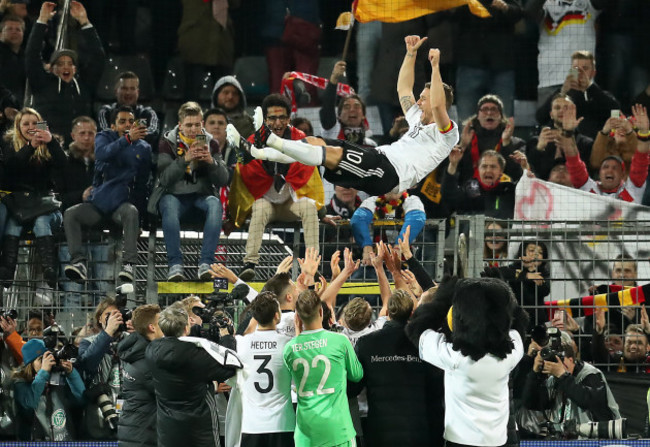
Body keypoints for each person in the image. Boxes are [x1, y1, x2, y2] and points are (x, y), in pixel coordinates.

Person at [228, 35, 459, 197]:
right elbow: (403, 90)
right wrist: (410, 54)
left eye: (424, 97)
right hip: (380, 158)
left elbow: (438, 107)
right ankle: (260, 152)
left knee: (332, 153)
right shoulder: (417, 116)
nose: (418, 101)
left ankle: (270, 140)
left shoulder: (447, 133)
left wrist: (436, 67)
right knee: (314, 142)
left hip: (391, 174)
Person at [406, 277, 528, 447]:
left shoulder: (455, 358)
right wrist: (503, 295)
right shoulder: (509, 356)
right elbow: (519, 325)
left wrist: (442, 300)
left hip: (460, 440)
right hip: (499, 441)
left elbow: (417, 328)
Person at [235, 94, 324, 281]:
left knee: (309, 208)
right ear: (265, 120)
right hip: (267, 202)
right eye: (273, 118)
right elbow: (241, 171)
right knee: (258, 208)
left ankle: (312, 268)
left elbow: (311, 179)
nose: (278, 123)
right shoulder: (253, 141)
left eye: (282, 117)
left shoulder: (301, 141)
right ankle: (249, 264)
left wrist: (322, 212)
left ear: (289, 119)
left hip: (291, 202)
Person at [63, 105, 152, 284]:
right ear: (112, 126)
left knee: (132, 212)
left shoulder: (144, 148)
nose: (127, 124)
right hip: (99, 204)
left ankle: (129, 265)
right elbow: (103, 154)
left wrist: (141, 220)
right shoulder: (103, 137)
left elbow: (143, 184)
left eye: (130, 121)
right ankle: (78, 262)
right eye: (122, 121)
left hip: (121, 205)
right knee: (71, 214)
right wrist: (127, 139)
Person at [350, 290, 444, 447]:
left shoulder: (366, 343)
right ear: (412, 313)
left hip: (379, 432)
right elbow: (436, 389)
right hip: (418, 431)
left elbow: (354, 387)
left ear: (387, 312)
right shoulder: (424, 343)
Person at [145, 305, 240, 447]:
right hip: (199, 429)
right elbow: (230, 368)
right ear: (186, 328)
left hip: (167, 429)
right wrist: (226, 337)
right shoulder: (194, 355)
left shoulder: (151, 350)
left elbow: (175, 347)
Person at [155, 101, 229, 281]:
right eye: (188, 125)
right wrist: (185, 160)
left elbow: (224, 179)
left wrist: (212, 162)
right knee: (169, 204)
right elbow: (164, 179)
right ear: (180, 126)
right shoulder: (167, 143)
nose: (193, 129)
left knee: (215, 203)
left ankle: (206, 263)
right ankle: (175, 265)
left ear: (202, 124)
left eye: (197, 124)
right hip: (174, 196)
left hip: (201, 197)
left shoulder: (211, 144)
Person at [283, 289, 363, 447]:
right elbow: (357, 375)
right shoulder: (340, 341)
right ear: (321, 311)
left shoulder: (290, 348)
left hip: (306, 434)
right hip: (338, 431)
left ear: (297, 317)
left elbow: (289, 385)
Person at [0, 107, 66, 288]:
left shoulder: (52, 144)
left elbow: (63, 164)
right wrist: (30, 147)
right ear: (18, 127)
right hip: (20, 205)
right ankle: (6, 274)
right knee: (12, 226)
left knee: (41, 223)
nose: (30, 127)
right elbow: (11, 169)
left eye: (34, 123)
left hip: (44, 204)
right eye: (26, 123)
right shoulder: (9, 145)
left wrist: (51, 142)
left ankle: (50, 271)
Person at [25, 1, 104, 141]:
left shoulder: (84, 84)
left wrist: (85, 22)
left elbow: (98, 57)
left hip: (79, 147)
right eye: (60, 64)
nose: (66, 67)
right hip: (50, 147)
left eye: (69, 63)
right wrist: (42, 21)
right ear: (52, 68)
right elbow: (32, 55)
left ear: (75, 68)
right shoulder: (42, 83)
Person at [55, 116, 112, 309]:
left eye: (91, 133)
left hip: (100, 235)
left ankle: (103, 333)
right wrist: (81, 195)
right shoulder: (63, 162)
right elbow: (57, 198)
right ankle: (71, 337)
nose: (87, 137)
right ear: (73, 135)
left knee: (102, 290)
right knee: (73, 290)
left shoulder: (105, 161)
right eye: (82, 133)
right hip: (70, 238)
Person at [521, 335, 621, 438]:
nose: (557, 365)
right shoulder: (554, 380)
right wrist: (535, 373)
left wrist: (562, 376)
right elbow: (531, 403)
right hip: (565, 440)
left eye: (560, 360)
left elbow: (587, 401)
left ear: (571, 359)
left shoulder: (591, 374)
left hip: (599, 440)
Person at [230, 292, 295, 446]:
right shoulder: (288, 344)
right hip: (283, 424)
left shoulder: (241, 343)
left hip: (252, 426)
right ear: (277, 316)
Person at [565, 104, 649, 203]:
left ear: (622, 174)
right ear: (599, 173)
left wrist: (644, 131)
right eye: (605, 167)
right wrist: (568, 133)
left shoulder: (633, 189)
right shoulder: (589, 189)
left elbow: (641, 160)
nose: (610, 170)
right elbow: (574, 163)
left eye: (615, 168)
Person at [76, 297, 129, 440]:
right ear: (99, 319)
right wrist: (107, 333)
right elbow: (87, 364)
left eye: (117, 315)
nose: (114, 319)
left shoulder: (130, 340)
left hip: (129, 414)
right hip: (98, 415)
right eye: (108, 315)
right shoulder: (88, 343)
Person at [535, 51, 619, 139]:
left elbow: (615, 111)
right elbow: (541, 117)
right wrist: (562, 92)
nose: (580, 72)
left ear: (593, 72)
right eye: (576, 69)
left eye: (585, 68)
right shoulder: (562, 93)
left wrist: (590, 88)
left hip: (591, 144)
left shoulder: (601, 95)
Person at [13, 339, 85, 441]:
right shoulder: (20, 384)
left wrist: (71, 373)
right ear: (30, 365)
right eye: (40, 359)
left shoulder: (59, 379)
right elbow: (29, 404)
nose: (45, 362)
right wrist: (44, 372)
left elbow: (81, 399)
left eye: (46, 357)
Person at [117, 304, 163, 447]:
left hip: (134, 431)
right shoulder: (146, 361)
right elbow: (169, 393)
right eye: (161, 322)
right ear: (152, 327)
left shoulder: (136, 352)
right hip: (142, 436)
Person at [454, 95, 525, 184]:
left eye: (494, 109)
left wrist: (507, 144)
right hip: (469, 193)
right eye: (484, 109)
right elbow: (452, 174)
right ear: (477, 116)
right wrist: (463, 146)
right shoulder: (465, 141)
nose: (489, 113)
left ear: (501, 116)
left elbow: (517, 176)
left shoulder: (517, 144)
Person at [526, 94, 594, 181]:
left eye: (566, 108)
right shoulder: (535, 141)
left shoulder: (585, 143)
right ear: (551, 114)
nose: (562, 111)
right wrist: (539, 148)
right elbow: (528, 171)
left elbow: (587, 173)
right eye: (557, 108)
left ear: (574, 112)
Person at [350, 191, 425, 265]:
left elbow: (416, 219)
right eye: (393, 185)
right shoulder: (372, 201)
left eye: (399, 185)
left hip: (404, 262)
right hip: (373, 261)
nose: (395, 189)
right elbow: (358, 219)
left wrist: (399, 246)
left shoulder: (412, 200)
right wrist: (367, 247)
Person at [442, 149, 519, 219]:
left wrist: (525, 168)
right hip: (471, 233)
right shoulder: (469, 189)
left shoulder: (509, 190)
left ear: (501, 171)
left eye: (493, 167)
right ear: (478, 170)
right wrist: (453, 165)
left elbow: (528, 192)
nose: (488, 170)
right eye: (484, 166)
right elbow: (449, 197)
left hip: (500, 232)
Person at [97, 71, 160, 149]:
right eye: (124, 88)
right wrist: (131, 137)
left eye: (132, 89)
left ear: (138, 92)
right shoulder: (106, 112)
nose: (128, 92)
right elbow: (105, 134)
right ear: (116, 91)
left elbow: (153, 134)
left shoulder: (148, 113)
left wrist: (123, 136)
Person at [320, 61, 376, 146]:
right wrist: (334, 78)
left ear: (363, 115)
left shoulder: (371, 145)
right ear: (339, 116)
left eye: (357, 106)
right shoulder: (332, 132)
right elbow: (327, 107)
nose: (352, 110)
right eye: (346, 107)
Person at [0, 15, 25, 106]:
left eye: (18, 30)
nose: (14, 32)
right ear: (0, 34)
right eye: (9, 29)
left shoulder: (25, 57)